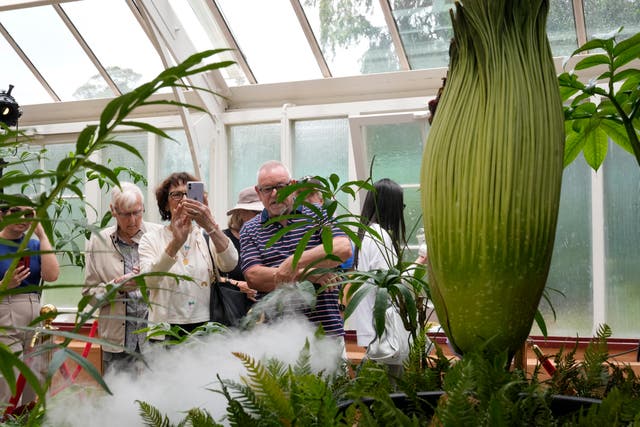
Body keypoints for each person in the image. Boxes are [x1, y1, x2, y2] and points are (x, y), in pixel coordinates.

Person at [240, 161, 352, 338]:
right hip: (276, 336)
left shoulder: (318, 213)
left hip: (325, 332)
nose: (275, 194)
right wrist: (307, 274)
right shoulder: (250, 229)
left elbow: (342, 248)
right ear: (258, 192)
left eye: (280, 186)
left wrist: (293, 262)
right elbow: (254, 277)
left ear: (292, 186)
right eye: (267, 189)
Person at [138, 172, 237, 339]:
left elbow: (230, 263)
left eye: (189, 194)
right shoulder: (151, 238)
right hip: (166, 329)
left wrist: (210, 225)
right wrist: (176, 242)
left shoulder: (206, 236)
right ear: (166, 204)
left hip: (205, 326)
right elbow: (149, 281)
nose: (184, 199)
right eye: (176, 194)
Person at [82, 182, 161, 375]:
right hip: (116, 344)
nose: (133, 220)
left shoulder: (158, 235)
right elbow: (89, 297)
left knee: (158, 402)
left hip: (156, 338)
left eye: (138, 212)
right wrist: (117, 287)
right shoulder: (98, 242)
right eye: (126, 214)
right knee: (117, 402)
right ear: (113, 211)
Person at [0, 194, 59, 405]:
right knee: (9, 377)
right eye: (16, 211)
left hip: (34, 313)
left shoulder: (34, 245)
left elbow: (52, 276)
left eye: (29, 213)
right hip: (5, 313)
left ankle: (25, 419)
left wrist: (42, 235)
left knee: (34, 376)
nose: (23, 217)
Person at [344, 178, 406, 348]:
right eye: (401, 206)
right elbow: (388, 285)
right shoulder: (380, 236)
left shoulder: (366, 234)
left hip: (371, 329)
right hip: (382, 330)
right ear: (391, 207)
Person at [219, 187, 261, 301]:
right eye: (256, 212)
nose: (261, 217)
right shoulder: (222, 240)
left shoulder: (266, 238)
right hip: (232, 308)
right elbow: (210, 277)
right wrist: (237, 285)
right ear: (240, 212)